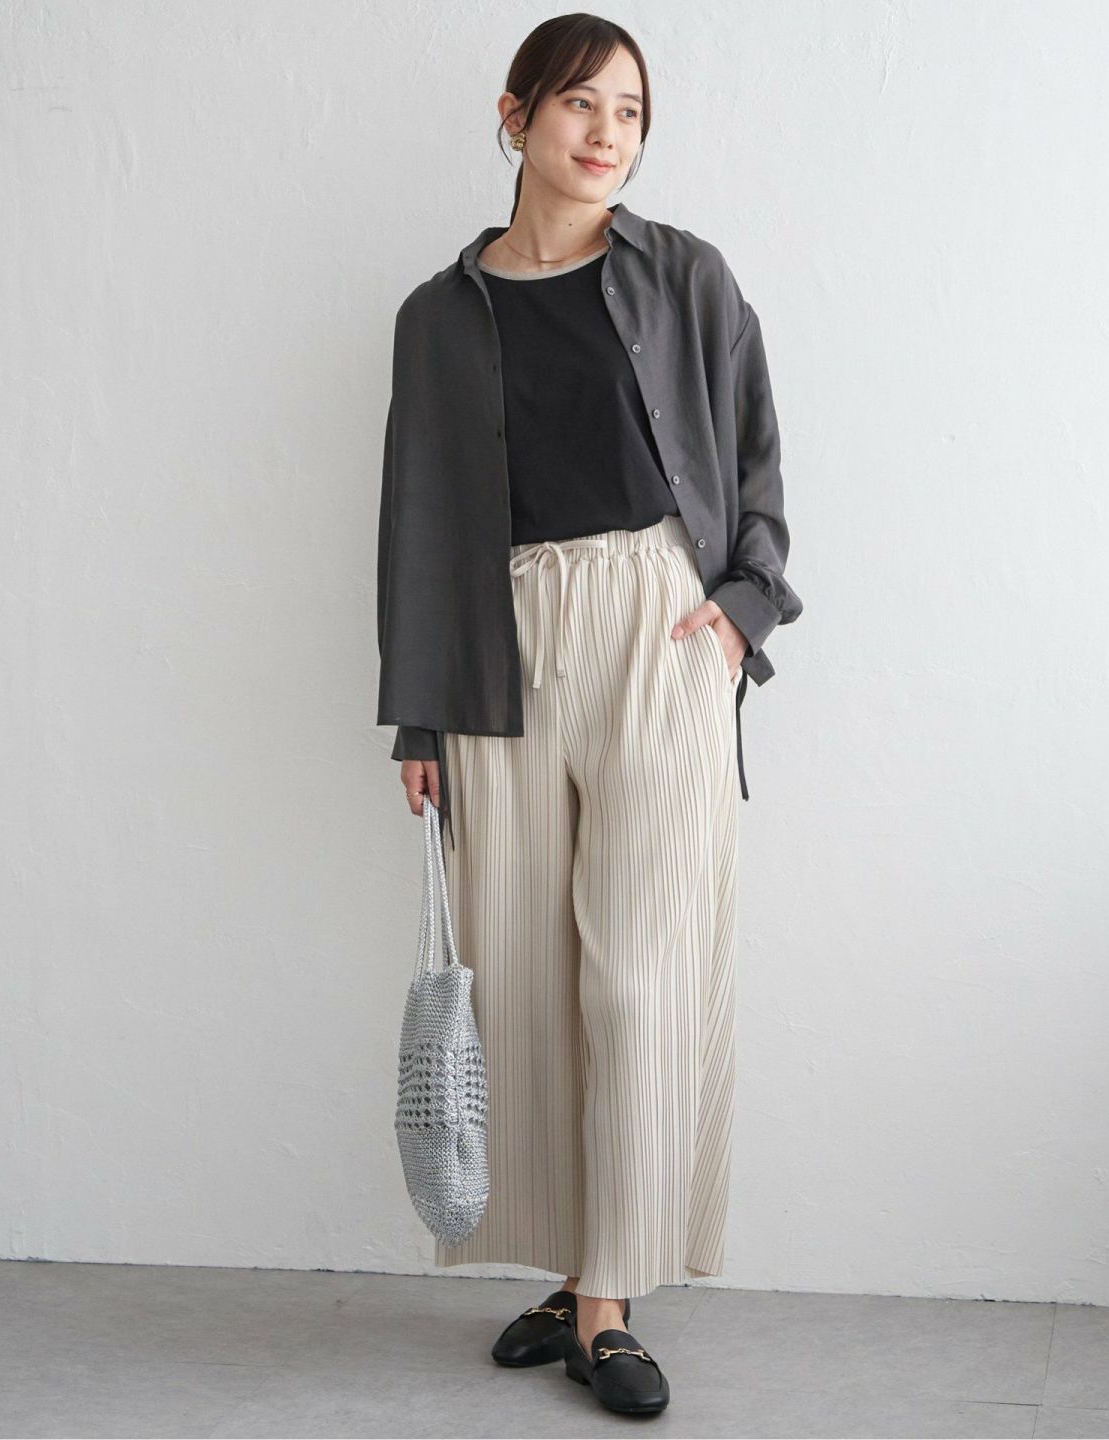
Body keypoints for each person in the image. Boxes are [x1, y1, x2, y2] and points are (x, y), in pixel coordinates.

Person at [377, 15, 802, 1417]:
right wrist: (422, 717)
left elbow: (754, 449)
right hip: (500, 649)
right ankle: (574, 1275)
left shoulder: (684, 277)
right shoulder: (439, 317)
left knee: (640, 972)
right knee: (524, 976)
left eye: (629, 111)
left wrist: (742, 608)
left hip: (658, 629)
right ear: (515, 117)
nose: (608, 133)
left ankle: (610, 1300)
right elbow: (418, 517)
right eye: (579, 104)